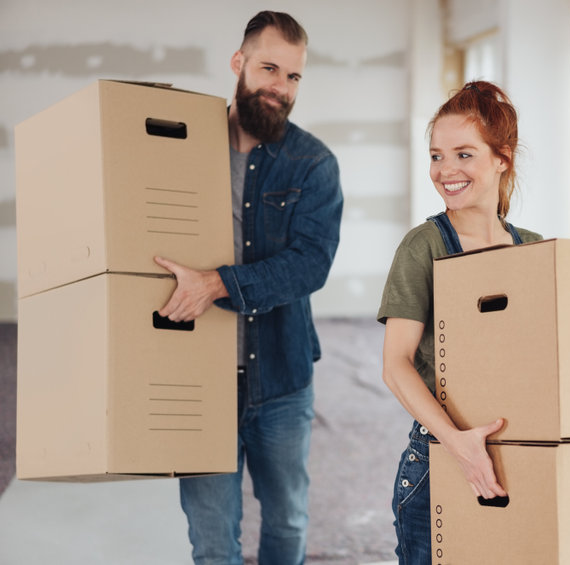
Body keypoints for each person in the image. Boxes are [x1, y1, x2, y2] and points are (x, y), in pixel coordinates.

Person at [153, 11, 343, 565]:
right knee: (213, 538)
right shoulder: (179, 145)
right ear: (238, 64)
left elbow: (310, 265)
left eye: (294, 76)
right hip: (200, 378)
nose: (281, 88)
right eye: (269, 69)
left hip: (281, 378)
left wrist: (218, 284)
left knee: (287, 520)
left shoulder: (313, 163)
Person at [377, 80, 542, 564]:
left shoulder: (535, 250)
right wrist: (459, 444)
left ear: (502, 158)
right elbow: (396, 364)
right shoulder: (423, 247)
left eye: (464, 154)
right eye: (435, 156)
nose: (445, 171)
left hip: (523, 458)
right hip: (438, 459)